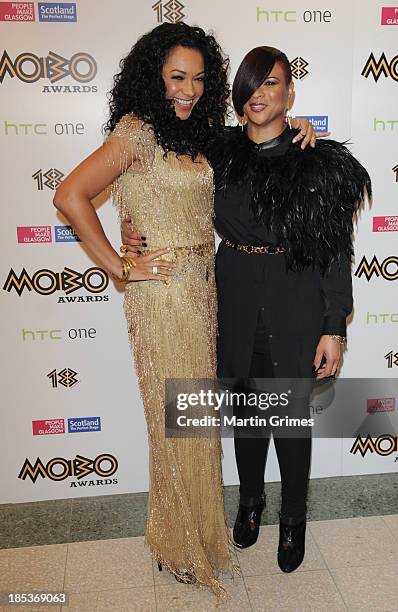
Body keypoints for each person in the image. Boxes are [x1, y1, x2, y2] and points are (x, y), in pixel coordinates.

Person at [53, 22, 239, 596]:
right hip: (162, 296)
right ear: (152, 77)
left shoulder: (194, 131)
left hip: (201, 290)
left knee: (195, 421)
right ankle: (181, 545)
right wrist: (120, 264)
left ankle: (189, 535)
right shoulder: (136, 133)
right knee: (178, 425)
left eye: (199, 79)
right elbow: (69, 194)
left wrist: (301, 129)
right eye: (177, 78)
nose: (189, 89)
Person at [208, 46, 371, 573]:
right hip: (233, 294)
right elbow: (165, 186)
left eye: (272, 83)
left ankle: (294, 518)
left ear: (289, 94)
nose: (260, 93)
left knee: (289, 421)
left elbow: (334, 250)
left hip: (295, 298)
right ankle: (251, 502)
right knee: (248, 415)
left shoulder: (313, 161)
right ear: (239, 95)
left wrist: (333, 327)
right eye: (252, 84)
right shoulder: (218, 150)